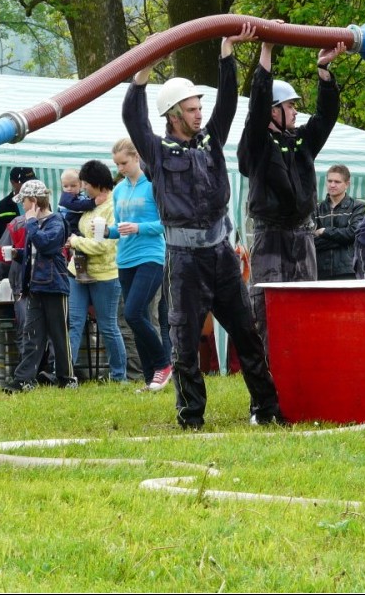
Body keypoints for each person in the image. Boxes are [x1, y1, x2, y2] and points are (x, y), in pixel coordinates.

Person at [122, 23, 284, 429]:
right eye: (192, 109)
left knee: (247, 334)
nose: (200, 113)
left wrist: (227, 54)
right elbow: (132, 116)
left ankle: (266, 409)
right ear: (174, 115)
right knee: (184, 343)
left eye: (199, 107)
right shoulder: (156, 152)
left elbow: (229, 103)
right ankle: (191, 417)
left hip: (221, 255)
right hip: (184, 261)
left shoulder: (212, 139)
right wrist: (142, 72)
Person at [237, 32, 346, 334]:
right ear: (273, 111)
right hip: (271, 235)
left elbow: (326, 117)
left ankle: (305, 367)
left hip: (302, 235)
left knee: (306, 305)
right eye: (289, 105)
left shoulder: (302, 142)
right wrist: (266, 51)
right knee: (268, 306)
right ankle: (271, 369)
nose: (296, 110)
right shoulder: (257, 143)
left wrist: (324, 73)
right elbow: (256, 107)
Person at [108, 137, 171, 392]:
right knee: (139, 316)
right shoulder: (119, 190)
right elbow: (119, 228)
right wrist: (105, 232)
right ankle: (149, 379)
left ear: (136, 157)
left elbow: (166, 223)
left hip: (151, 256)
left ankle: (164, 363)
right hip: (125, 259)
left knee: (132, 313)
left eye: (123, 162)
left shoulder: (153, 185)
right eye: (117, 164)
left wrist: (139, 228)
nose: (120, 168)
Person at [3, 179, 77, 392]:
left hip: (54, 286)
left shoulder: (56, 221)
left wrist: (32, 223)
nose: (22, 205)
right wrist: (19, 254)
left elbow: (47, 245)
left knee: (59, 334)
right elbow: (36, 253)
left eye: (24, 201)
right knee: (31, 334)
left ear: (34, 201)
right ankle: (24, 379)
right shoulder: (33, 224)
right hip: (35, 287)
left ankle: (67, 378)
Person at [66, 159, 128, 382]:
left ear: (97, 183)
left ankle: (119, 375)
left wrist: (75, 242)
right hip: (78, 271)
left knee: (108, 325)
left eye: (85, 183)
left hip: (106, 275)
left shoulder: (114, 207)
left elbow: (103, 246)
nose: (83, 188)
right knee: (74, 322)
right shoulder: (90, 203)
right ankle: (66, 375)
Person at [312, 165, 365, 280]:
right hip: (320, 271)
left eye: (337, 182)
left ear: (347, 184)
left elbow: (354, 234)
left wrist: (324, 231)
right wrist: (344, 238)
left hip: (348, 270)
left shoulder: (357, 207)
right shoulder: (316, 209)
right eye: (329, 181)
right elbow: (310, 240)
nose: (332, 185)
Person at [0, 166, 35, 260]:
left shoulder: (42, 204)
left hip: (36, 261)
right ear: (13, 183)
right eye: (25, 183)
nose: (29, 186)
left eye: (32, 181)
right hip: (10, 263)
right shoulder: (0, 209)